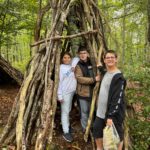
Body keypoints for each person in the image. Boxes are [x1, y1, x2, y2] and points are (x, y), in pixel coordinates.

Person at [93, 50, 126, 150]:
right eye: (107, 58)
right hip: (100, 113)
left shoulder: (119, 77)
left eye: (112, 57)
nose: (110, 59)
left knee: (116, 138)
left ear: (116, 59)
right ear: (104, 60)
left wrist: (111, 116)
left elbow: (117, 98)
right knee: (97, 133)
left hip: (112, 115)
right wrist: (99, 67)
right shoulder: (106, 73)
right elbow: (104, 71)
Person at [75, 46, 100, 132]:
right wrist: (93, 80)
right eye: (81, 53)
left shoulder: (92, 63)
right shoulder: (78, 66)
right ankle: (85, 128)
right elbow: (79, 78)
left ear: (87, 54)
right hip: (83, 93)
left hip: (93, 92)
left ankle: (91, 127)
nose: (83, 55)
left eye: (84, 53)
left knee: (92, 110)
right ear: (79, 55)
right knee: (84, 111)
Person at [57, 52, 77, 142]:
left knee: (68, 109)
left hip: (73, 92)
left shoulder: (72, 65)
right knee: (65, 111)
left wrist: (72, 65)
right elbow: (59, 82)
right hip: (65, 93)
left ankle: (67, 126)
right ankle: (66, 132)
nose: (67, 59)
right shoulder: (61, 68)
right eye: (65, 57)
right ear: (62, 59)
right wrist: (59, 95)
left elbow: (77, 58)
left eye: (69, 57)